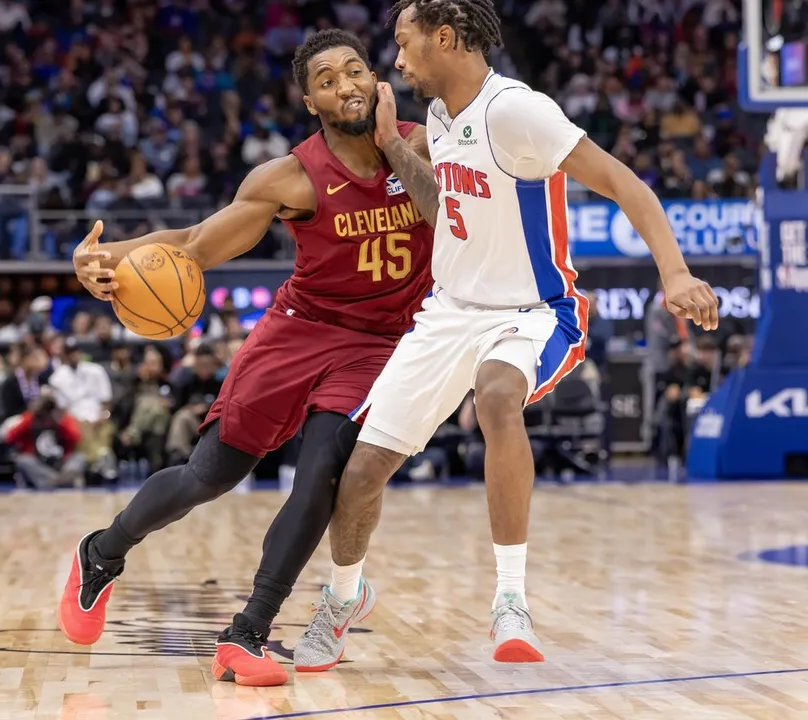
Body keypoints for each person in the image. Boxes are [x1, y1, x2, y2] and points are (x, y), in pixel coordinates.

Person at [293, 0, 720, 671]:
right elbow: (441, 210)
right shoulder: (439, 116)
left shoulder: (518, 111)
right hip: (449, 311)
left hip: (532, 308)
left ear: (443, 38)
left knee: (496, 397)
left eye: (403, 44)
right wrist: (393, 145)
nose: (395, 61)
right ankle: (345, 598)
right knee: (363, 469)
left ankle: (511, 600)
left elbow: (624, 182)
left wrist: (675, 272)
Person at [57, 29, 435, 687]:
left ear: (376, 79)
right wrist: (97, 258)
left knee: (321, 474)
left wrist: (395, 145)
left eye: (353, 71)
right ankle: (103, 551)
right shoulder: (290, 177)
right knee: (207, 477)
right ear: (310, 102)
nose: (344, 86)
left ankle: (246, 635)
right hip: (296, 334)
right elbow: (193, 244)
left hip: (376, 345)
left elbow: (460, 212)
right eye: (326, 81)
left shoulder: (426, 145)